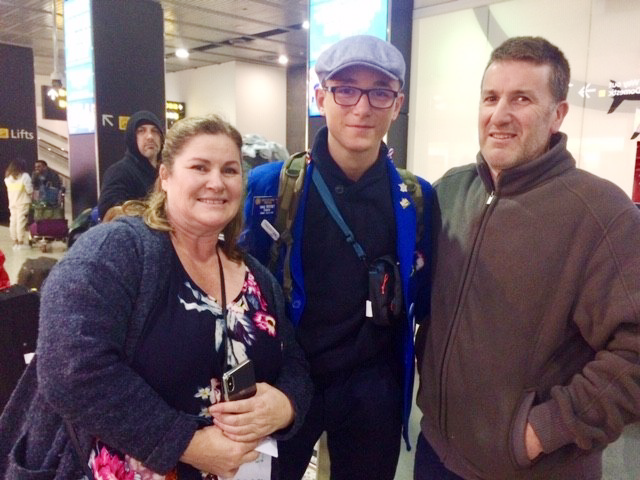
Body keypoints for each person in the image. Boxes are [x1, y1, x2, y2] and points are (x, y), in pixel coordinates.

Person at [0, 115, 312, 479]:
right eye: (200, 167)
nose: (216, 182)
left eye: (229, 170)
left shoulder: (255, 275)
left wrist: (286, 404)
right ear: (165, 176)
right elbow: (69, 367)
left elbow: (294, 360)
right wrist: (186, 444)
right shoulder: (117, 250)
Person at [415, 36, 640, 480]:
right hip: (437, 450)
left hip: (533, 468)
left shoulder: (602, 214)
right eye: (491, 98)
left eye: (521, 99)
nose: (500, 115)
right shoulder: (449, 192)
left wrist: (542, 431)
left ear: (558, 114)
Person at [242, 35, 432, 479]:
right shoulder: (272, 187)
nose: (362, 108)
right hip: (287, 378)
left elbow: (425, 299)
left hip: (373, 387)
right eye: (346, 89)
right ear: (320, 97)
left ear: (397, 104)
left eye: (379, 92)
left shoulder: (416, 198)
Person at [97, 110, 164, 219]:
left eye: (155, 131)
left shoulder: (167, 171)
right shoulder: (119, 171)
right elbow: (110, 211)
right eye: (141, 131)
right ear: (132, 137)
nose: (150, 136)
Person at [4, 158, 33, 249]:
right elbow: (29, 190)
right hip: (23, 202)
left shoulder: (7, 178)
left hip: (12, 202)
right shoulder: (25, 176)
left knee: (13, 221)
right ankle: (21, 242)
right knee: (21, 221)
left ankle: (15, 241)